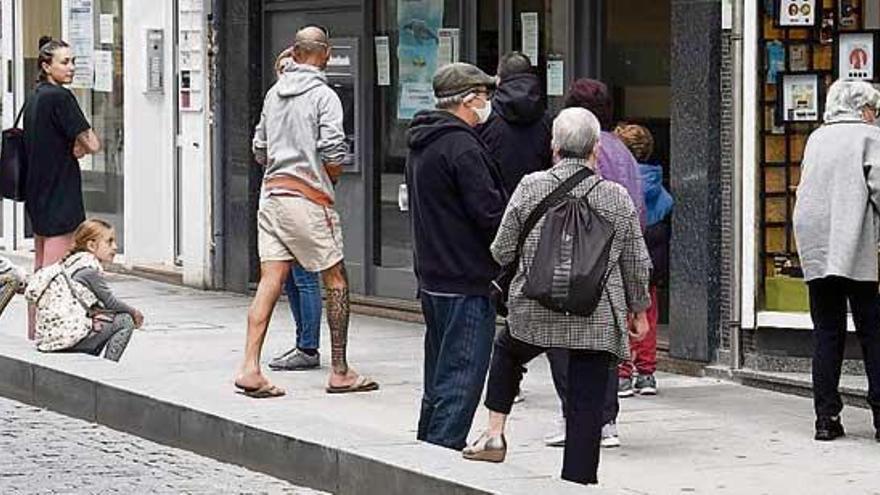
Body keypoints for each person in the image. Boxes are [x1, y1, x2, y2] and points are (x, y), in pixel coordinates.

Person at [462, 107, 652, 486]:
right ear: (596, 149)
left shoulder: (531, 186)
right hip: (595, 315)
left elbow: (501, 250)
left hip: (536, 308)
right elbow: (635, 259)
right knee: (585, 403)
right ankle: (577, 483)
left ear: (554, 147)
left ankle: (495, 430)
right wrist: (638, 309)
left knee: (507, 351)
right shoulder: (615, 197)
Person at [235, 25, 377, 398]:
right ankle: (341, 370)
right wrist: (327, 177)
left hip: (272, 195)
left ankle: (250, 366)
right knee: (336, 278)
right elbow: (334, 151)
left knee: (270, 280)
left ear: (294, 53)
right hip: (307, 197)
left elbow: (259, 149)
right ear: (326, 54)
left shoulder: (272, 94)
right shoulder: (324, 96)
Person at [406, 62, 507, 450]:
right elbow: (490, 216)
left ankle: (424, 454)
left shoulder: (424, 140)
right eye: (485, 97)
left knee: (438, 379)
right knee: (460, 380)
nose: (489, 105)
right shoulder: (462, 146)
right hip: (465, 278)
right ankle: (439, 459)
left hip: (433, 277)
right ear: (470, 100)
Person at [543, 78, 647, 448]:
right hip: (614, 263)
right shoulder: (624, 152)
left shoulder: (584, 154)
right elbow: (637, 214)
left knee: (563, 342)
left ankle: (576, 417)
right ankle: (605, 421)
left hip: (575, 262)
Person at [792, 79, 880, 442]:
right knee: (873, 334)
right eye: (874, 108)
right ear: (863, 109)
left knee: (826, 333)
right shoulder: (870, 137)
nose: (875, 114)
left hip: (817, 250)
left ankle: (825, 417)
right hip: (858, 249)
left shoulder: (817, 138)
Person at [23, 36, 102, 340]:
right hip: (60, 191)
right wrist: (80, 146)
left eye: (73, 62)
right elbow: (92, 143)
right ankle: (49, 329)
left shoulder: (35, 96)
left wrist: (74, 146)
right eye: (64, 62)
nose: (71, 68)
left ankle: (35, 329)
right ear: (46, 66)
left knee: (41, 264)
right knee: (54, 270)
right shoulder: (60, 98)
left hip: (37, 190)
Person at [264, 48, 324, 373]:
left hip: (295, 196)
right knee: (293, 277)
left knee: (303, 276)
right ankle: (305, 341)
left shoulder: (306, 100)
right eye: (282, 67)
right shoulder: (277, 102)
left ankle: (308, 346)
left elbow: (260, 149)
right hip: (289, 196)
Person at [614, 123, 673, 397]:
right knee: (648, 313)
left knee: (621, 316)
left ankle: (623, 373)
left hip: (623, 262)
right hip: (652, 264)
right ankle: (647, 374)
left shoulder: (618, 185)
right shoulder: (661, 190)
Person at [29, 219, 142, 362]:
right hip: (68, 339)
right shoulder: (88, 270)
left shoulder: (73, 263)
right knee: (125, 320)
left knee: (104, 319)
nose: (115, 247)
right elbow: (111, 303)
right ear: (91, 245)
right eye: (109, 242)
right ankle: (108, 367)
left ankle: (93, 362)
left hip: (53, 338)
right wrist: (134, 313)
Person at [478, 51, 552, 194]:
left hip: (496, 208)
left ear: (498, 80)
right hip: (537, 205)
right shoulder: (547, 121)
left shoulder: (484, 119)